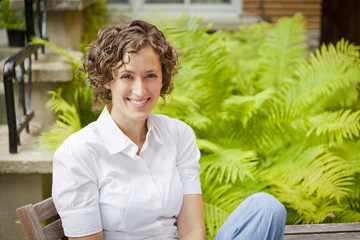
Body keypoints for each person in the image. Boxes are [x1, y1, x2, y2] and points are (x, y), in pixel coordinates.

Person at [52, 20, 287, 240]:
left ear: (163, 78)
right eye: (127, 76)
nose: (140, 89)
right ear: (106, 80)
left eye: (150, 75)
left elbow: (192, 230)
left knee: (266, 208)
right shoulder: (78, 153)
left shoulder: (178, 135)